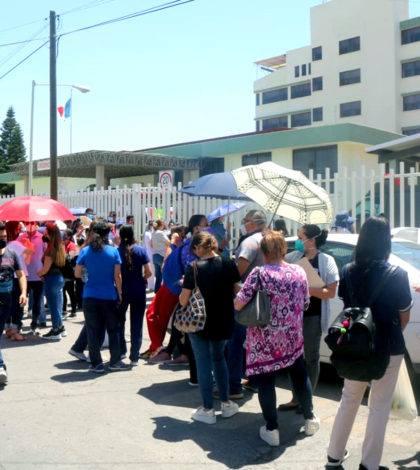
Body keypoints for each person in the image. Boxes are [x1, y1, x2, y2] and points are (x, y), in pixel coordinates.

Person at [326, 216, 412, 470]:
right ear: (387, 242)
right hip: (388, 346)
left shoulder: (348, 271)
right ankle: (369, 464)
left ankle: (333, 456)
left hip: (355, 344)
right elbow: (403, 315)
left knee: (349, 398)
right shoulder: (398, 274)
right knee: (379, 406)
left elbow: (347, 307)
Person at [234, 230, 320, 446]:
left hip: (264, 341)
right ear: (284, 249)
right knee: (300, 378)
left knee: (266, 382)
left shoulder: (259, 274)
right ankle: (310, 418)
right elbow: (306, 304)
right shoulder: (299, 272)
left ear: (263, 252)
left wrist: (238, 290)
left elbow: (238, 304)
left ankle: (272, 428)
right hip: (292, 338)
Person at [180, 231, 241, 424]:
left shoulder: (194, 268)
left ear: (198, 247)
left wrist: (184, 284)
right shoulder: (230, 264)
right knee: (219, 359)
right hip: (223, 319)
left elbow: (183, 300)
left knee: (203, 362)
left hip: (199, 321)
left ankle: (207, 409)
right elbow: (238, 292)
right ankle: (225, 403)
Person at [279, 224, 339, 411]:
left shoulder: (326, 261)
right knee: (292, 357)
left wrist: (305, 288)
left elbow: (329, 292)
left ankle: (307, 399)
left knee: (311, 358)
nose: (297, 241)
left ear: (312, 240)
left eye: (300, 237)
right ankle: (296, 397)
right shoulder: (293, 258)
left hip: (312, 316)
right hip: (292, 316)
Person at [75, 221, 129, 373]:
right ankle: (115, 361)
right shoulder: (113, 251)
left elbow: (77, 273)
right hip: (109, 296)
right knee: (114, 329)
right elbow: (117, 276)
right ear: (107, 234)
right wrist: (120, 293)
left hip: (90, 295)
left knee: (92, 330)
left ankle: (96, 363)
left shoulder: (85, 251)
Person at [226, 210, 266, 399]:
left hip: (245, 298)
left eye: (245, 220)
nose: (243, 223)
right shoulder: (266, 240)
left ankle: (233, 387)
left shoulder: (250, 243)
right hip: (262, 300)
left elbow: (238, 270)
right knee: (255, 341)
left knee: (235, 342)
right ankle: (255, 380)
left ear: (253, 223)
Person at [117, 224, 152, 366]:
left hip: (123, 288)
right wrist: (143, 279)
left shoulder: (117, 251)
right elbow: (149, 272)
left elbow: (116, 273)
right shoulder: (140, 250)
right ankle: (134, 356)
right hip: (138, 288)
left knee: (120, 321)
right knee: (137, 322)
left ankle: (121, 350)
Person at [0, 222, 27, 385]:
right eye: (0, 237)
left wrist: (23, 293)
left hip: (6, 302)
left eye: (4, 236)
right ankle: (1, 366)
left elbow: (21, 274)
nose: (3, 239)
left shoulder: (12, 253)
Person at [37, 224, 66, 340]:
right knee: (55, 306)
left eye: (46, 232)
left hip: (52, 279)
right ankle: (60, 327)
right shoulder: (59, 247)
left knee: (53, 307)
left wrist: (37, 274)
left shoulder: (50, 250)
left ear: (50, 234)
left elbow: (45, 269)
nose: (44, 234)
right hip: (59, 278)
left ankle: (56, 330)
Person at [18, 221, 45, 335]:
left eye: (32, 223)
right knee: (21, 301)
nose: (30, 225)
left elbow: (46, 255)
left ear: (36, 224)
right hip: (24, 275)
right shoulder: (21, 238)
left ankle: (35, 323)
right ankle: (17, 323)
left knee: (37, 302)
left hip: (38, 275)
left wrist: (44, 272)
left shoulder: (42, 238)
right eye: (27, 223)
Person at [4, 221, 29, 340]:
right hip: (19, 276)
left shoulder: (5, 244)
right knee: (18, 304)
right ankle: (15, 330)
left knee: (8, 304)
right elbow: (29, 257)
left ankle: (7, 327)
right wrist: (28, 244)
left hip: (7, 277)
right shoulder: (16, 244)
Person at [62, 229, 78, 318]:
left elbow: (70, 257)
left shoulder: (72, 245)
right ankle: (64, 309)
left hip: (69, 271)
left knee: (70, 291)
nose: (63, 237)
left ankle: (73, 310)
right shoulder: (62, 244)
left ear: (69, 236)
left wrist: (62, 254)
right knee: (62, 291)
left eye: (65, 235)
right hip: (62, 270)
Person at [151, 219, 170, 293]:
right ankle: (165, 293)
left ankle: (157, 293)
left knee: (158, 277)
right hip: (162, 255)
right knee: (165, 275)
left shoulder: (153, 233)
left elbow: (151, 244)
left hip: (155, 255)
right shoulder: (161, 233)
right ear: (161, 225)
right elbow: (168, 242)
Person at [143, 220, 155, 291]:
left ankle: (152, 285)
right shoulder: (148, 233)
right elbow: (151, 244)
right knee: (151, 270)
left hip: (152, 252)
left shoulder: (151, 232)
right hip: (150, 253)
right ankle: (151, 286)